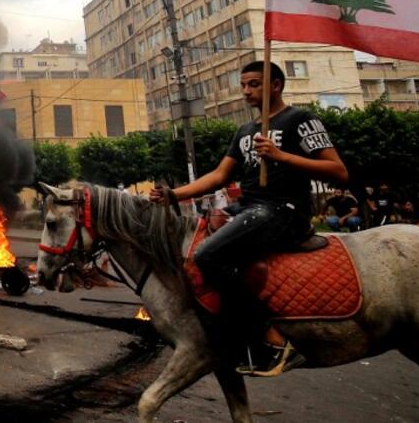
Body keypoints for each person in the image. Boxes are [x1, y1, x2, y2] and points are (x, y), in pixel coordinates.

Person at [149, 61, 348, 377]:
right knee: (189, 244)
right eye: (243, 85)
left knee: (208, 255)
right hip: (246, 209)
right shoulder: (245, 131)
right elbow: (219, 176)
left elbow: (338, 171)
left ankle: (273, 338)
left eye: (254, 84)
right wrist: (175, 194)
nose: (245, 92)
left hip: (284, 211)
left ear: (276, 85)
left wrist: (282, 156)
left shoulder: (301, 120)